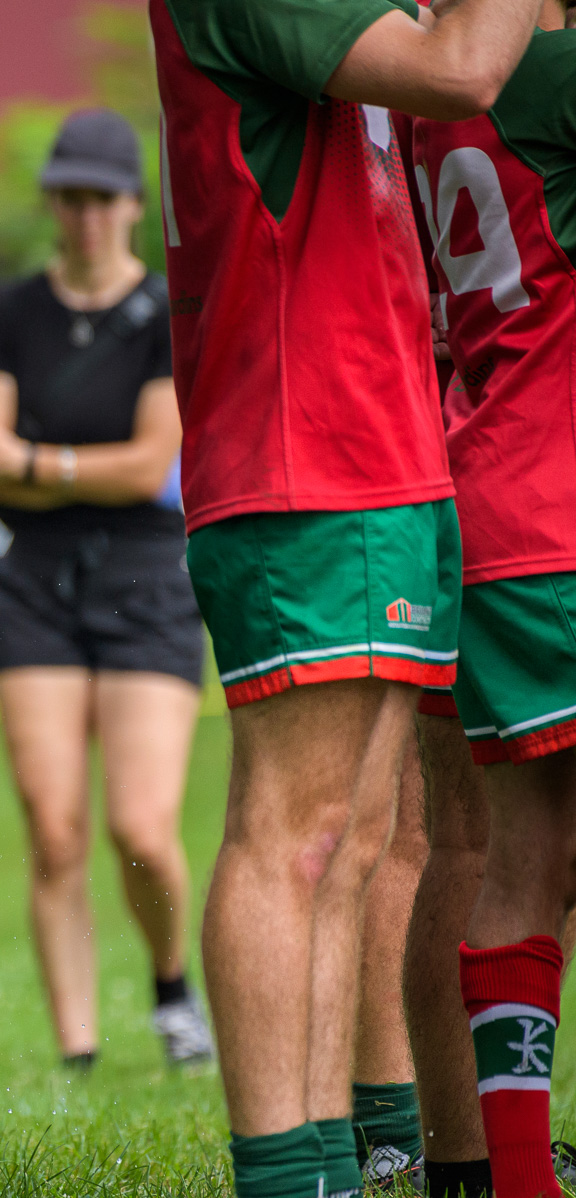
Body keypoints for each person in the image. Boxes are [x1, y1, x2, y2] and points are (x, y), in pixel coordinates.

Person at [151, 0, 543, 1194]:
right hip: (300, 452)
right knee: (295, 832)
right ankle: (283, 1169)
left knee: (362, 841)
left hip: (380, 449)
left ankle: (323, 1156)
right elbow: (467, 67)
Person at [0, 107, 212, 1071]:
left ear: (135, 206)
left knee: (140, 825)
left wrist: (33, 459)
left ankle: (172, 985)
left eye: (102, 197)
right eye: (70, 195)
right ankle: (79, 1053)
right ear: (53, 203)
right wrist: (52, 467)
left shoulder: (164, 314)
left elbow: (152, 465)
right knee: (55, 828)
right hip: (33, 582)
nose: (85, 213)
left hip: (149, 576)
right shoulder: (7, 311)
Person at [399, 3, 576, 1193]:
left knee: (516, 856)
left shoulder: (418, 109)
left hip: (488, 504)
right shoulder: (556, 70)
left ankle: (509, 1174)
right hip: (565, 495)